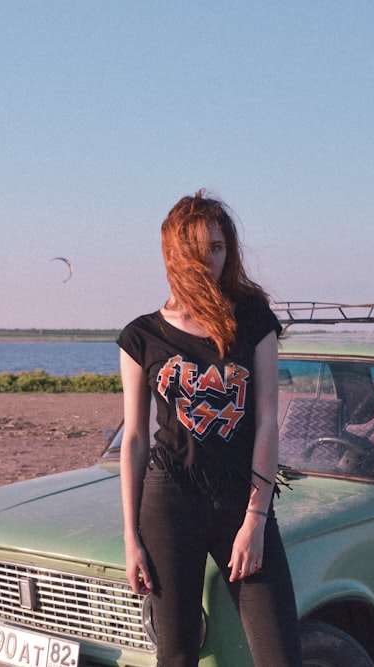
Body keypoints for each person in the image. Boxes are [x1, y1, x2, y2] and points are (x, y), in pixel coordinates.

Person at [117, 190, 302, 666]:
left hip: (241, 496)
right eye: (199, 249)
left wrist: (255, 520)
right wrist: (131, 537)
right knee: (176, 655)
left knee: (280, 654)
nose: (211, 260)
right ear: (174, 255)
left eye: (218, 247)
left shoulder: (253, 319)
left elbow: (266, 423)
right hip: (169, 500)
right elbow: (135, 439)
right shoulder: (142, 336)